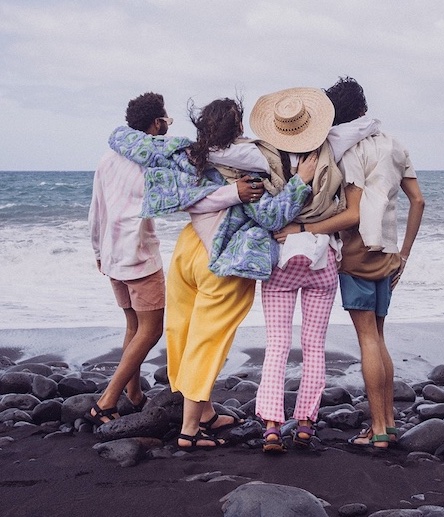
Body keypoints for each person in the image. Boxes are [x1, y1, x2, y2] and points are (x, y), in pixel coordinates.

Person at [108, 97, 318, 450]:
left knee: (182, 332)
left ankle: (203, 412)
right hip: (225, 255)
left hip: (188, 249)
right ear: (238, 128)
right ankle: (191, 430)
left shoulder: (186, 153)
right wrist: (301, 182)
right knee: (208, 340)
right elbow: (270, 217)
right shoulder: (253, 162)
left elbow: (122, 139)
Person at [275, 76, 425, 450]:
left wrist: (303, 226)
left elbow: (354, 214)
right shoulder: (394, 143)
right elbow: (418, 202)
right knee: (379, 336)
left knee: (367, 340)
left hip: (358, 252)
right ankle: (387, 423)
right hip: (389, 252)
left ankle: (376, 430)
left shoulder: (351, 151)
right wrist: (404, 254)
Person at [243, 87, 379, 452]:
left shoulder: (262, 159)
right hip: (321, 261)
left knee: (277, 346)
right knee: (314, 347)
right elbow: (366, 125)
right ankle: (305, 423)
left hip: (283, 261)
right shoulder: (329, 147)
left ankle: (272, 423)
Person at [86, 92, 173, 425]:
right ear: (156, 123)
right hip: (139, 257)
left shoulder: (107, 157)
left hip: (111, 256)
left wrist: (97, 250)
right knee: (151, 331)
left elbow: (97, 210)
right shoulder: (151, 159)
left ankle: (134, 394)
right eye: (166, 120)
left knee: (134, 326)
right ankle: (107, 400)